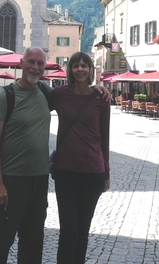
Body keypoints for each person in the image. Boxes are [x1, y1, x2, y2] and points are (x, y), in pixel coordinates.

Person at [0, 48, 112, 264]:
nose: (35, 67)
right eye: (31, 62)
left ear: (45, 68)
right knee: (1, 238)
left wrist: (99, 88)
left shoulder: (48, 92)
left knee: (34, 240)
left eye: (40, 64)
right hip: (18, 178)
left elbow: (97, 125)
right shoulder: (12, 95)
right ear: (22, 63)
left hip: (42, 178)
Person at [49, 52, 110, 264]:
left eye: (85, 65)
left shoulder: (100, 99)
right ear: (70, 70)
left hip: (93, 173)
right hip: (65, 172)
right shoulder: (58, 94)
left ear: (91, 69)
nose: (80, 69)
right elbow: (38, 97)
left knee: (83, 233)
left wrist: (106, 172)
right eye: (76, 66)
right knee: (69, 232)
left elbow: (104, 137)